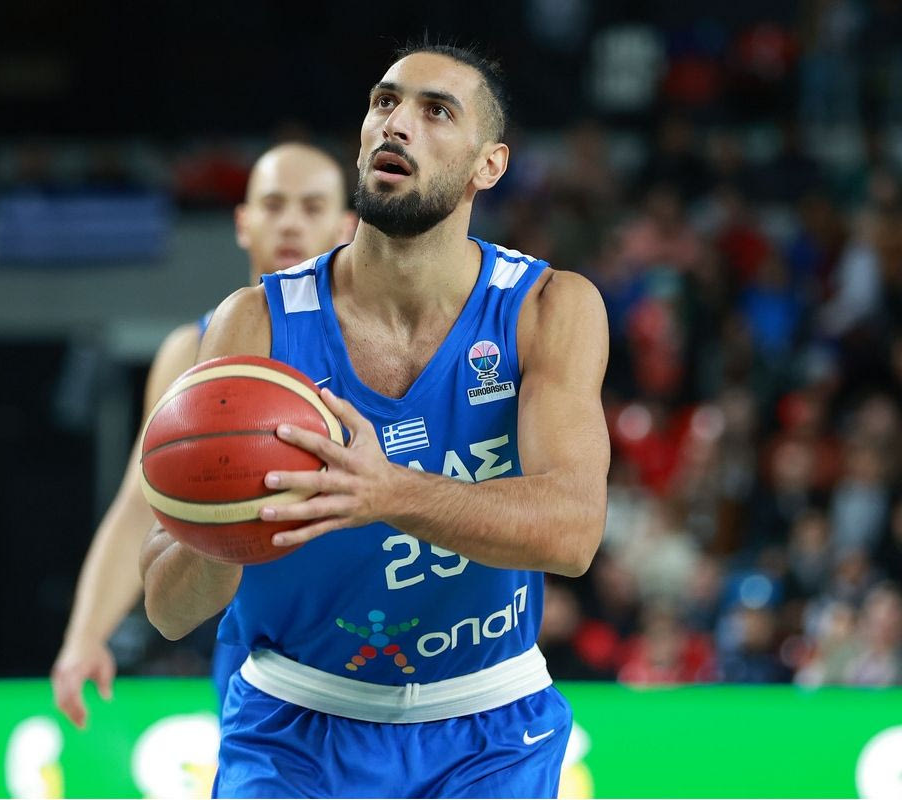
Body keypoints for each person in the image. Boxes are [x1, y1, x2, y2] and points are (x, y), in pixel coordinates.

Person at [140, 43, 610, 798]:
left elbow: (573, 532)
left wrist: (387, 492)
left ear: (488, 166)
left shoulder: (548, 309)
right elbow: (168, 610)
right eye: (385, 102)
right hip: (294, 727)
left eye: (436, 111)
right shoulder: (255, 323)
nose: (397, 124)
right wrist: (228, 526)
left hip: (489, 728)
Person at [51, 142, 355, 729]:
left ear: (347, 228)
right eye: (273, 205)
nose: (291, 222)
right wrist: (85, 636)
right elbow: (141, 507)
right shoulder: (190, 350)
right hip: (261, 655)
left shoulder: (374, 344)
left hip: (371, 639)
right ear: (243, 222)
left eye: (312, 207)